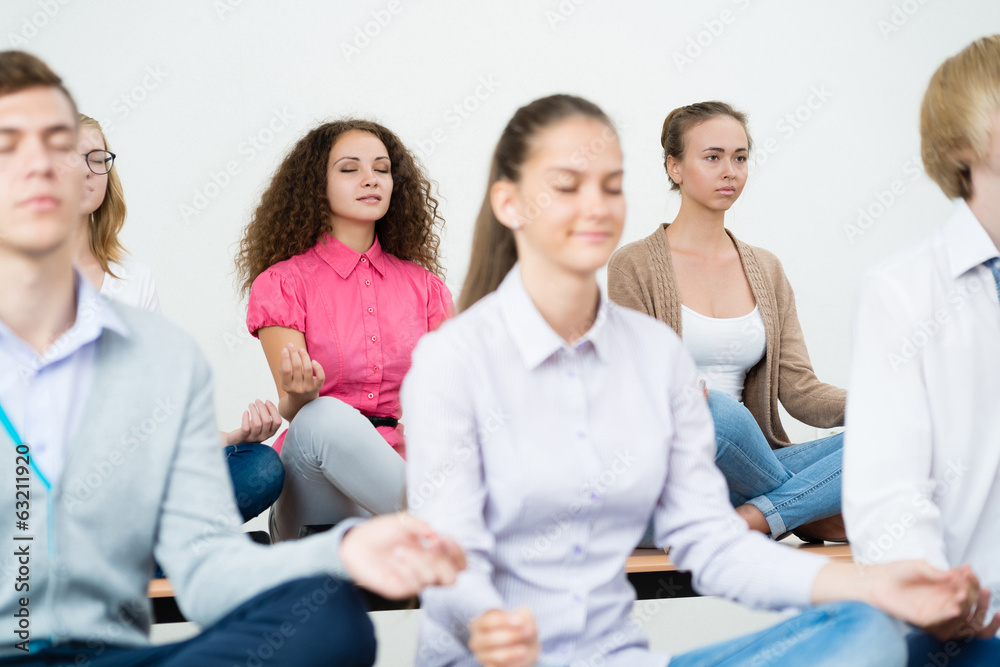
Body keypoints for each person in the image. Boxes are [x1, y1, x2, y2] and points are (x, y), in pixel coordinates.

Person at [403, 93, 979, 667]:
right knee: (723, 415)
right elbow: (448, 551)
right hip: (493, 659)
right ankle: (807, 506)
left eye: (611, 185)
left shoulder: (655, 356)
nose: (597, 206)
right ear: (509, 203)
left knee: (868, 628)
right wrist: (488, 622)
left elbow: (711, 541)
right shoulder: (452, 361)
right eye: (567, 185)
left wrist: (870, 588)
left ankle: (786, 510)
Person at [0, 50, 465, 665]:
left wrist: (340, 553)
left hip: (110, 612)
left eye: (85, 158)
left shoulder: (160, 346)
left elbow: (204, 559)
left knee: (329, 612)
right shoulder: (285, 282)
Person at [608, 101, 846, 543]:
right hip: (672, 467)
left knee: (892, 433)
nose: (730, 171)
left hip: (750, 466)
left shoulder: (767, 268)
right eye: (713, 157)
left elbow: (800, 390)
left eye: (740, 158)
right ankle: (803, 511)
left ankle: (757, 517)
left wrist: (883, 405)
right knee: (715, 411)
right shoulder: (633, 266)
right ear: (674, 167)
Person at [843, 34, 1000, 665]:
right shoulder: (904, 291)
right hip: (973, 633)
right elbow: (890, 497)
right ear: (964, 142)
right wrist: (942, 596)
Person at [235, 119, 453, 542]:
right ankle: (452, 532)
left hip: (398, 479)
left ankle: (440, 526)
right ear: (317, 185)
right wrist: (301, 394)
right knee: (323, 414)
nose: (371, 179)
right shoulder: (282, 283)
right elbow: (297, 410)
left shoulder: (426, 288)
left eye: (382, 169)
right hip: (315, 492)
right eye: (350, 169)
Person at [73, 113, 285, 525]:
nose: (86, 170)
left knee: (258, 467)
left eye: (96, 158)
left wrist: (232, 438)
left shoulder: (133, 279)